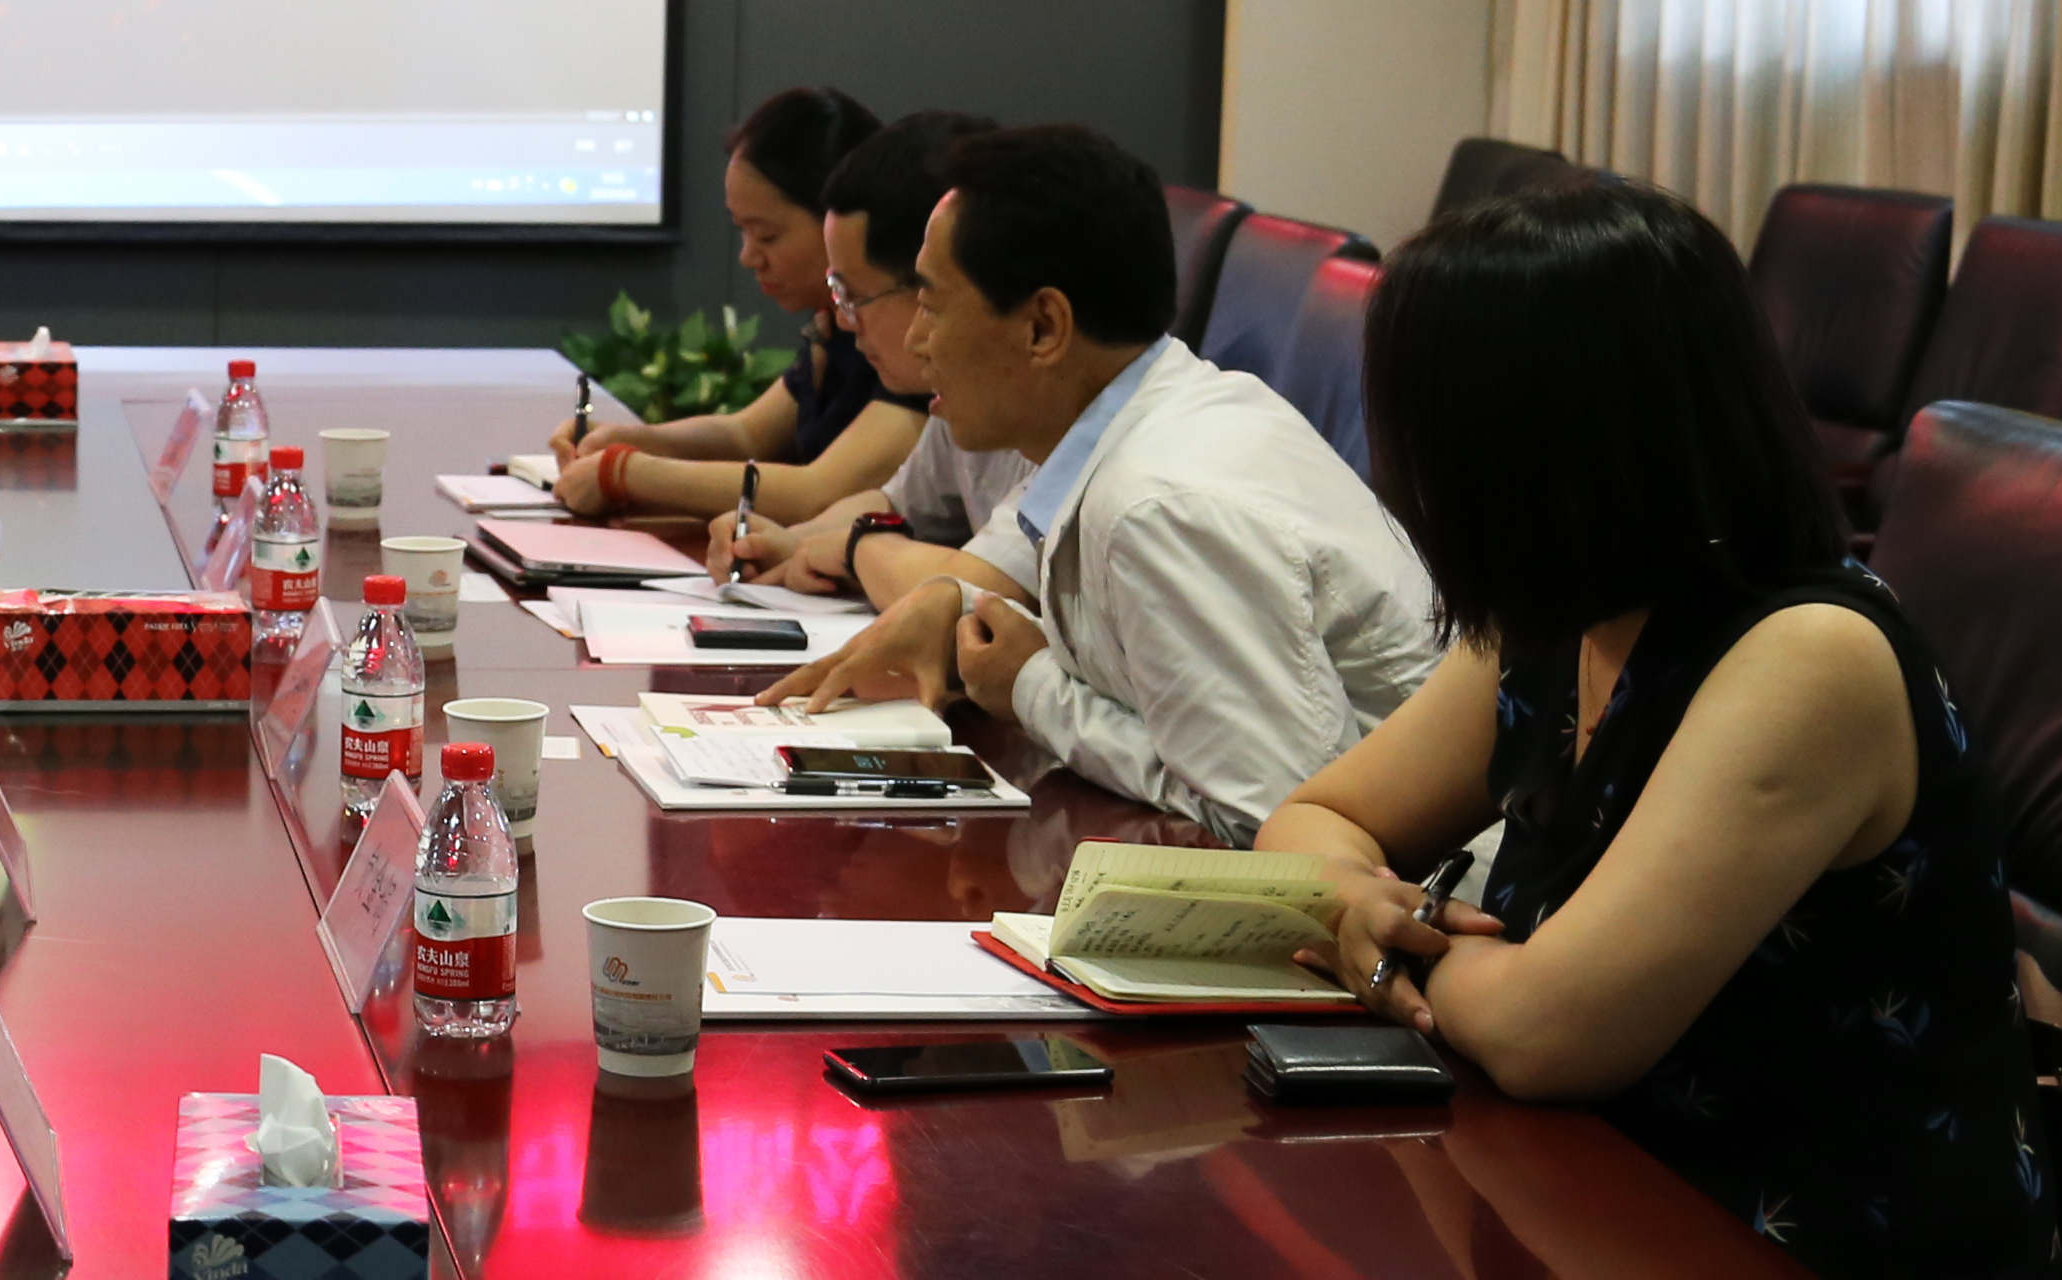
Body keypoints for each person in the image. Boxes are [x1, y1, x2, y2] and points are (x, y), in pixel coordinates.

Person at [1254, 175, 2045, 1280]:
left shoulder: (1807, 660)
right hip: (1595, 1228)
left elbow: (1546, 1037)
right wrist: (1356, 902)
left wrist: (1379, 944)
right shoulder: (1562, 612)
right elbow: (1314, 820)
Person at [762, 122, 1440, 839]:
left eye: (932, 305)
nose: (916, 340)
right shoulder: (1157, 418)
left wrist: (1034, 690)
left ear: (1043, 328)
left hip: (1431, 886)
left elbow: (1268, 819)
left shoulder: (1159, 507)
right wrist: (978, 624)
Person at [551, 87, 927, 532]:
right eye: (742, 232)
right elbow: (746, 434)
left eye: (767, 236)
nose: (748, 257)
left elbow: (819, 494)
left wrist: (625, 472)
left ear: (838, 223)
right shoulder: (834, 326)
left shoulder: (906, 339)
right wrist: (631, 440)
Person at [711, 111, 1021, 602]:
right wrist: (790, 544)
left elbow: (987, 587)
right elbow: (896, 504)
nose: (844, 320)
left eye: (853, 296)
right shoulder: (964, 393)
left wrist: (855, 550)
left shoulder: (1074, 431)